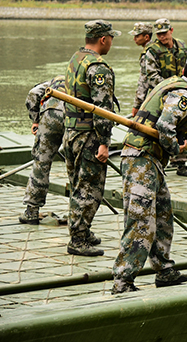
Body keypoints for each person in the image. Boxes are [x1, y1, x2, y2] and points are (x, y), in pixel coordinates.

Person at [112, 50, 187, 294]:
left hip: (151, 161)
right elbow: (165, 126)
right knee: (141, 222)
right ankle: (123, 281)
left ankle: (164, 271)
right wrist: (174, 148)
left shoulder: (171, 83)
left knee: (163, 216)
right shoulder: (184, 93)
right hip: (141, 160)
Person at [64, 20, 120, 256]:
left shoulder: (75, 59)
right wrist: (104, 142)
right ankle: (77, 239)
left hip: (71, 131)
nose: (112, 42)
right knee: (89, 189)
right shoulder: (98, 67)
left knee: (78, 184)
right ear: (103, 39)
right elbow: (102, 109)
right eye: (111, 38)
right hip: (89, 135)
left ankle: (82, 231)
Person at [141, 18, 187, 177]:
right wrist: (170, 86)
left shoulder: (182, 46)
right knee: (160, 126)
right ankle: (158, 161)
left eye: (164, 33)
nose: (162, 37)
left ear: (171, 30)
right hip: (161, 93)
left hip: (180, 91)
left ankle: (180, 162)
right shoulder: (152, 50)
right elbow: (151, 75)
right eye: (159, 34)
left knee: (182, 125)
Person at [19, 76, 66, 224]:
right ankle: (79, 214)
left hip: (49, 115)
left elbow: (33, 93)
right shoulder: (83, 77)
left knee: (41, 163)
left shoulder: (55, 80)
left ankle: (31, 211)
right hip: (74, 117)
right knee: (76, 163)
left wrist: (36, 120)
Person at [129, 22, 154, 118]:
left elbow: (144, 81)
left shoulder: (148, 53)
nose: (134, 39)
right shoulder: (158, 48)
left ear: (146, 37)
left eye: (137, 36)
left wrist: (137, 105)